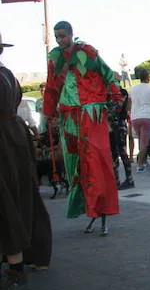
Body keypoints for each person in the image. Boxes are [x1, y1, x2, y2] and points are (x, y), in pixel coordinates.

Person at [43, 21, 121, 235]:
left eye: (63, 36)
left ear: (71, 34)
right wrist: (49, 114)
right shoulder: (55, 58)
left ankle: (103, 211)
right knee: (75, 166)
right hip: (68, 116)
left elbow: (107, 73)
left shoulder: (88, 52)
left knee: (97, 163)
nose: (60, 40)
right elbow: (51, 85)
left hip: (90, 113)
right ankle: (90, 210)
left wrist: (115, 96)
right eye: (57, 37)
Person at [1, 33, 52, 290]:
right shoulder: (7, 73)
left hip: (5, 143)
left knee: (7, 202)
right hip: (14, 139)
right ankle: (29, 256)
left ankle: (16, 272)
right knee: (21, 197)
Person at [128, 67, 150, 173]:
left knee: (141, 140)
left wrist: (131, 112)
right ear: (148, 78)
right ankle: (140, 164)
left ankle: (144, 161)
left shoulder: (133, 89)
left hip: (135, 117)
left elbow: (129, 103)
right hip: (147, 116)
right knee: (145, 142)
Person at [109, 88, 134, 190]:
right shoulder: (107, 93)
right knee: (113, 153)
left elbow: (117, 109)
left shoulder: (121, 93)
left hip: (118, 124)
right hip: (111, 126)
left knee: (122, 152)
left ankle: (129, 178)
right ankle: (116, 179)